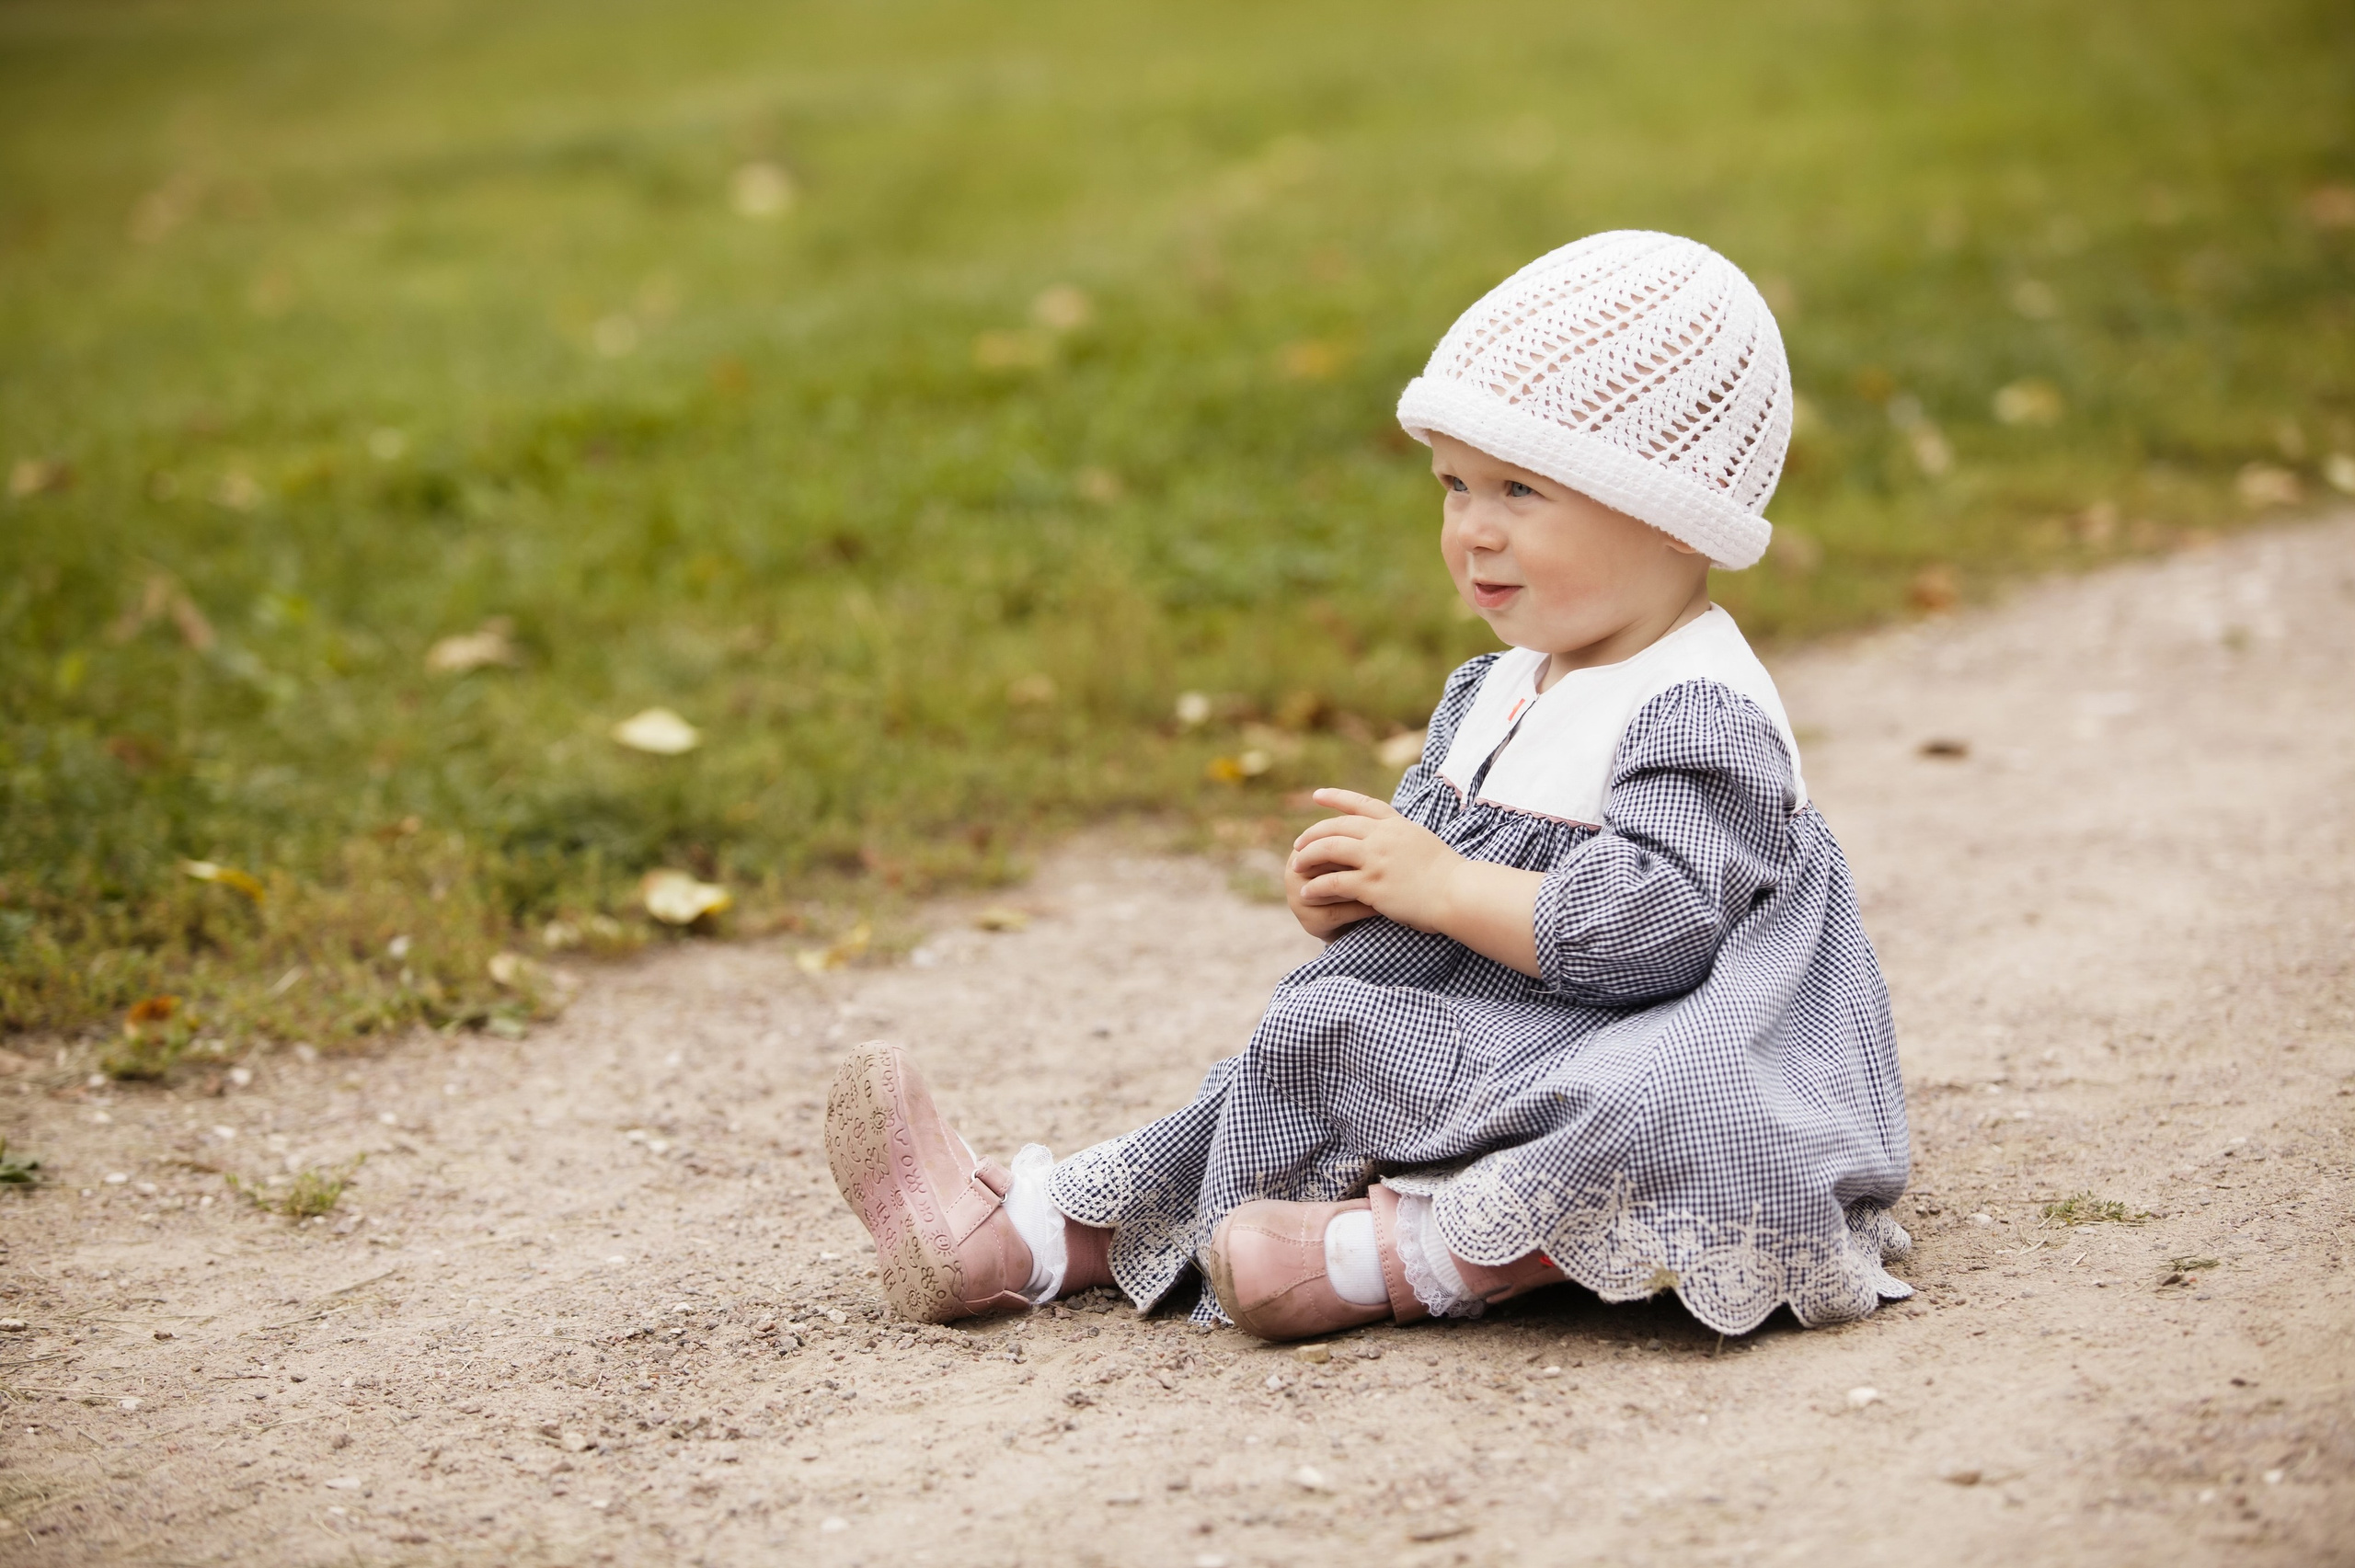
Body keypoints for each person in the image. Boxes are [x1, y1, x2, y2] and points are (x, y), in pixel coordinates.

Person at [825, 230, 1912, 1342]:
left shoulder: (1696, 706)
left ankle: (1383, 1254)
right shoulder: (1493, 689)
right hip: (1503, 1017)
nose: (1471, 531)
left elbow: (1656, 935)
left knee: (1660, 1108)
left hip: (1666, 1027)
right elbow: (1435, 881)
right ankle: (1028, 1232)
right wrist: (1367, 895)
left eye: (1521, 490)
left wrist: (1440, 888)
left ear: (1673, 510)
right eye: (1453, 484)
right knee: (1318, 1034)